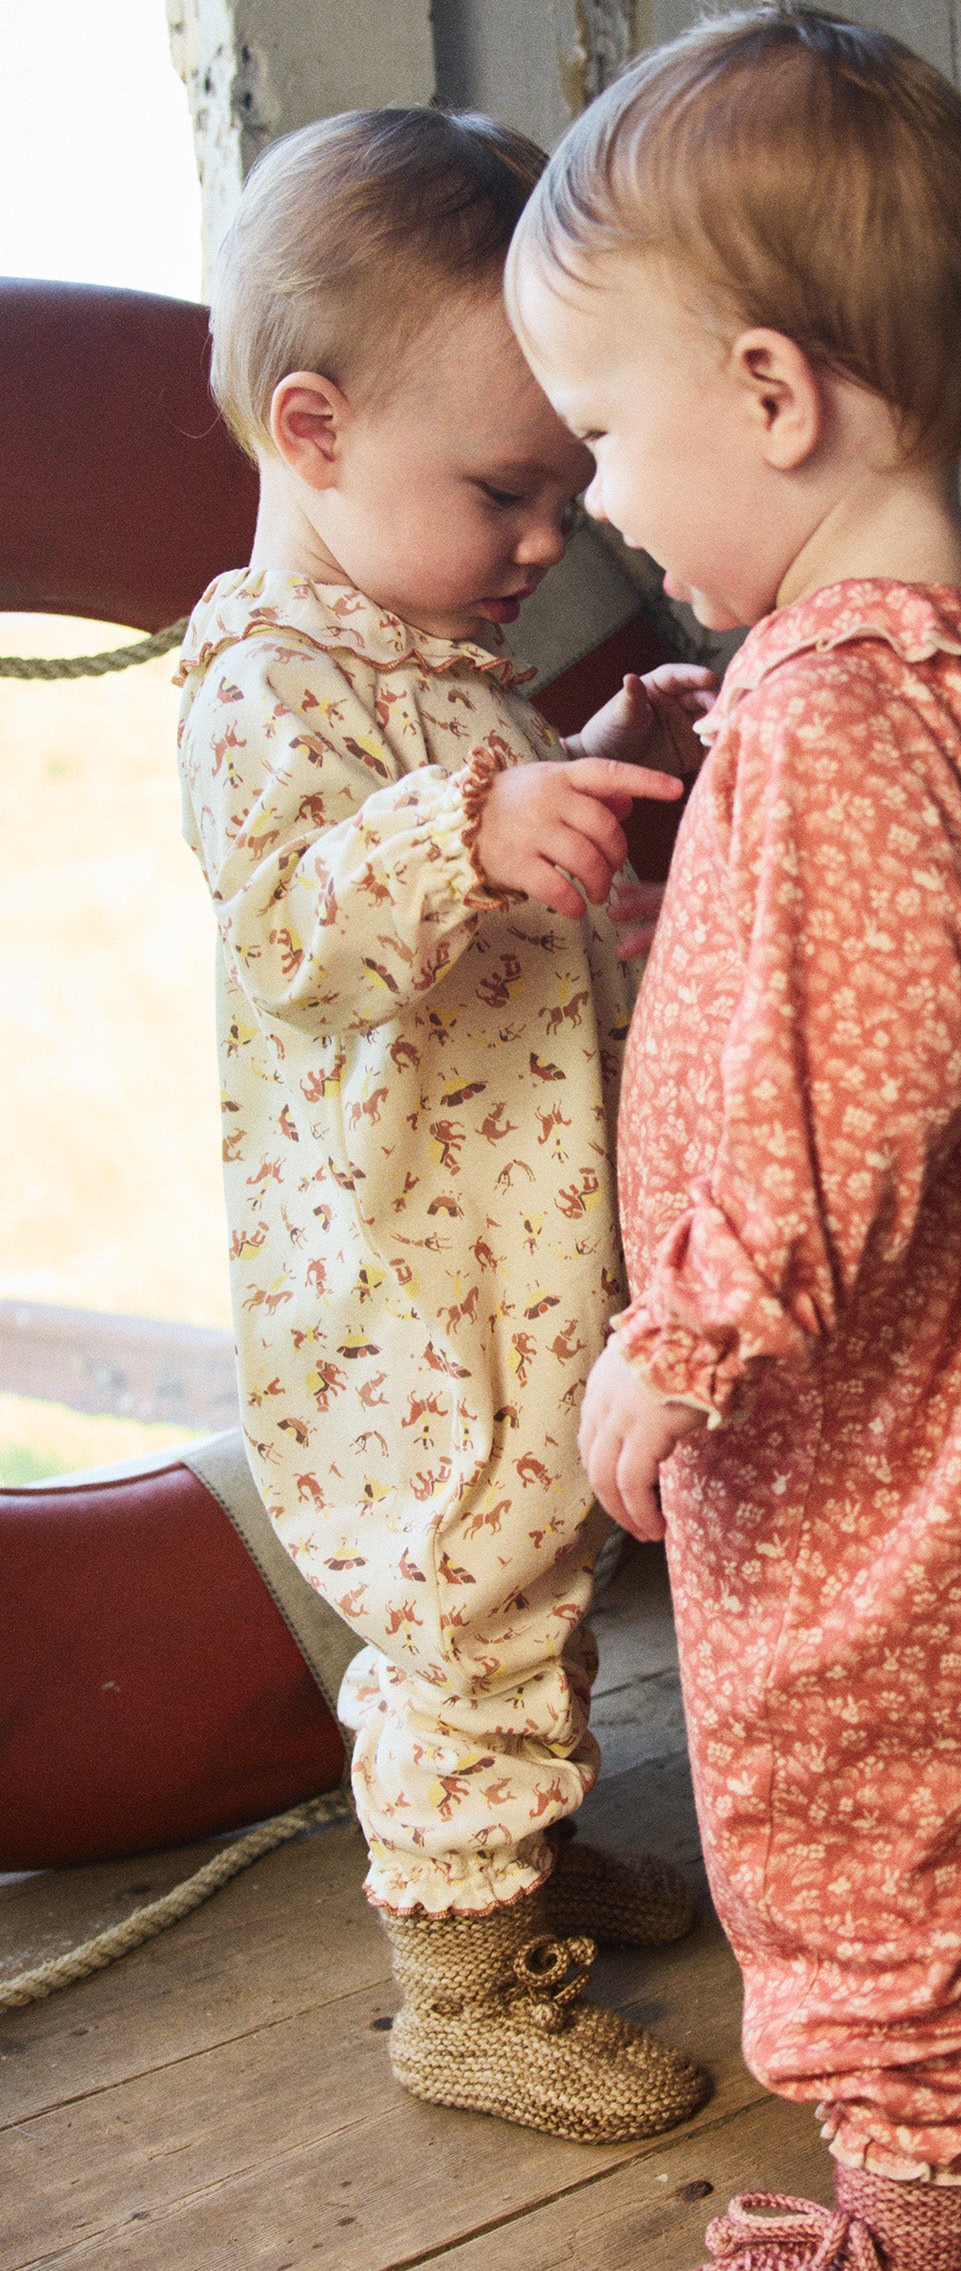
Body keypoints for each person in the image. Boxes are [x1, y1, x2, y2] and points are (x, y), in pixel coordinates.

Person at [508, 9, 961, 2270]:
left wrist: (686, 1336)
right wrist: (709, 857)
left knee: (863, 1826)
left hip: (872, 1460)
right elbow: (942, 998)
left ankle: (919, 2221)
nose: (597, 496)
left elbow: (846, 1101)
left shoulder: (840, 725)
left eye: (606, 433)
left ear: (776, 395)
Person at [176, 106, 717, 2146]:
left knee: (540, 1562)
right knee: (464, 1593)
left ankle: (516, 1857)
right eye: (506, 489)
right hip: (409, 1281)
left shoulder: (431, 650)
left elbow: (480, 835)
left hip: (517, 1244)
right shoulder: (261, 678)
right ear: (312, 430)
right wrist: (470, 827)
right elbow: (295, 930)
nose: (545, 541)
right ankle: (460, 1987)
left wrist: (590, 751)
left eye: (566, 491)